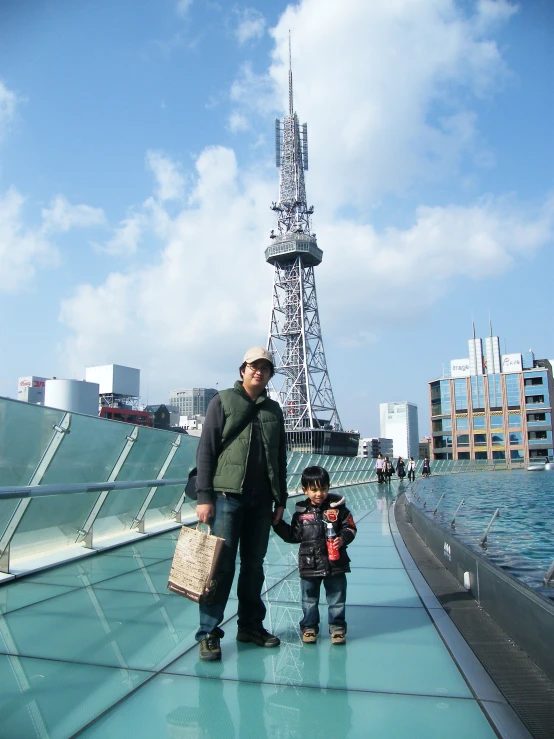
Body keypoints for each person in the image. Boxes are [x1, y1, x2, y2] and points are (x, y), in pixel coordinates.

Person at [194, 346, 288, 661]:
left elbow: (280, 458)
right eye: (253, 366)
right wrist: (204, 496)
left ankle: (250, 625)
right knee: (219, 566)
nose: (259, 372)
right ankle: (208, 633)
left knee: (254, 567)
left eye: (265, 368)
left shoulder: (274, 411)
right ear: (242, 369)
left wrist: (281, 499)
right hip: (225, 498)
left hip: (261, 501)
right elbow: (206, 450)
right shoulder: (221, 401)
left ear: (270, 375)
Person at [273, 466, 357, 645]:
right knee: (309, 599)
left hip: (336, 563)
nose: (319, 493)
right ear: (305, 490)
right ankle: (309, 627)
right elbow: (293, 536)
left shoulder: (339, 509)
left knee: (337, 598)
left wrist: (342, 539)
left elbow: (350, 527)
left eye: (323, 489)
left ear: (328, 487)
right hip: (309, 563)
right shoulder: (301, 514)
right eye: (314, 489)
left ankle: (337, 627)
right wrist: (277, 524)